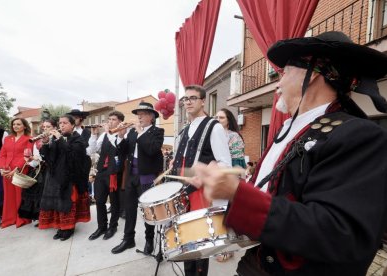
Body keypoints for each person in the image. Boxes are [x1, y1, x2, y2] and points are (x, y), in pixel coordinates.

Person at [190, 31, 387, 276]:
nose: (278, 84)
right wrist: (224, 187)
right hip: (258, 262)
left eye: (284, 73)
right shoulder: (292, 130)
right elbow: (273, 196)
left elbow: (339, 234)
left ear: (313, 73)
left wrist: (238, 194)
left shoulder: (358, 135)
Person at [171, 85, 231, 276]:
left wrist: (207, 171)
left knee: (199, 245)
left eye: (193, 98)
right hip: (181, 190)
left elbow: (224, 163)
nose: (188, 102)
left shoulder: (214, 127)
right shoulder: (185, 130)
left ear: (203, 101)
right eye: (185, 99)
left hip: (199, 192)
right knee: (186, 244)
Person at [111, 102, 164, 255]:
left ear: (151, 117)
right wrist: (121, 137)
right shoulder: (133, 133)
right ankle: (128, 239)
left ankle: (149, 241)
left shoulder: (157, 131)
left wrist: (140, 131)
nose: (139, 116)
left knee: (148, 211)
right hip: (131, 175)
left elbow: (151, 150)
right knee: (129, 209)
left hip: (147, 177)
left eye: (143, 113)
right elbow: (122, 152)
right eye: (138, 114)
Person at [38, 115, 91, 241]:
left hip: (71, 177)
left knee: (67, 203)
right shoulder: (56, 139)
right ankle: (61, 227)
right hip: (57, 176)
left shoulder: (79, 139)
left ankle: (68, 228)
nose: (62, 125)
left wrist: (60, 139)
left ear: (72, 125)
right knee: (58, 203)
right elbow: (50, 159)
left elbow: (73, 156)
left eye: (65, 123)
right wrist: (45, 143)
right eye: (60, 123)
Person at [88, 111, 126, 241]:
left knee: (114, 202)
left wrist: (108, 132)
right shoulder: (103, 135)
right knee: (99, 201)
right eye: (109, 119)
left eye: (113, 119)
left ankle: (113, 226)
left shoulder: (122, 135)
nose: (110, 122)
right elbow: (91, 150)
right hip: (101, 172)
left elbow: (117, 148)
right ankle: (101, 226)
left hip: (114, 173)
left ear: (120, 122)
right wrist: (93, 135)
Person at [18, 118, 58, 222]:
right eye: (44, 127)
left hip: (54, 169)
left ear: (54, 128)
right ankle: (42, 217)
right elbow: (36, 159)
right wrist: (30, 160)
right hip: (41, 169)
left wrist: (40, 158)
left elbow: (56, 156)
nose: (45, 129)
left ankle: (54, 217)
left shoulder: (57, 139)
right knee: (36, 191)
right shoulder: (38, 141)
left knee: (51, 193)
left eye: (48, 127)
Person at [0, 118, 33, 228]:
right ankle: (9, 218)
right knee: (8, 195)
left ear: (25, 126)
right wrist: (1, 168)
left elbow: (27, 156)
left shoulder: (29, 139)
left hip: (21, 169)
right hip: (7, 170)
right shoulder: (8, 139)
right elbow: (2, 154)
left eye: (18, 124)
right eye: (14, 124)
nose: (15, 126)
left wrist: (16, 169)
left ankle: (21, 218)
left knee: (20, 195)